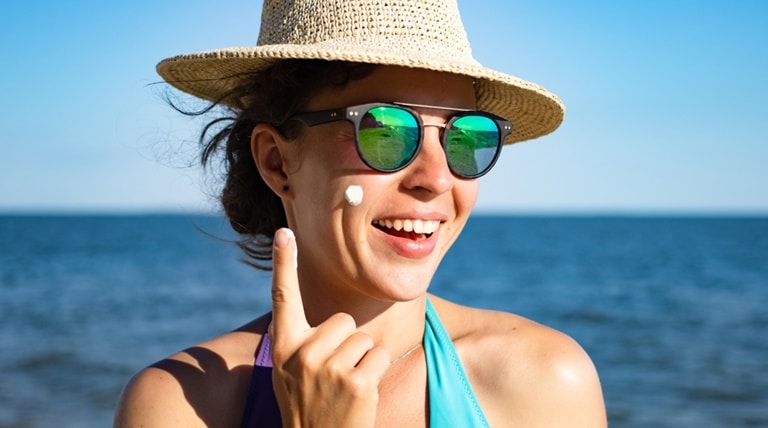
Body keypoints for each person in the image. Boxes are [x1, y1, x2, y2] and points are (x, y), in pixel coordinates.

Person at [114, 0, 606, 426]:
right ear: (277, 161)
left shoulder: (543, 380)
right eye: (385, 130)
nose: (435, 177)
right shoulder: (181, 404)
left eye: (463, 137)